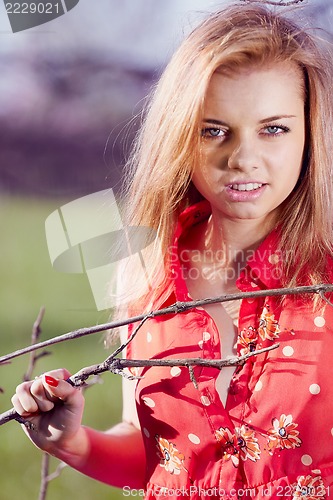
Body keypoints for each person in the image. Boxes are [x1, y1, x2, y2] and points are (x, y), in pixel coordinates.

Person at [12, 2, 333, 498]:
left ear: (311, 135)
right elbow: (155, 457)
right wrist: (71, 441)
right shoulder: (146, 271)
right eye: (213, 130)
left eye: (274, 128)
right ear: (180, 136)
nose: (243, 158)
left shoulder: (327, 272)